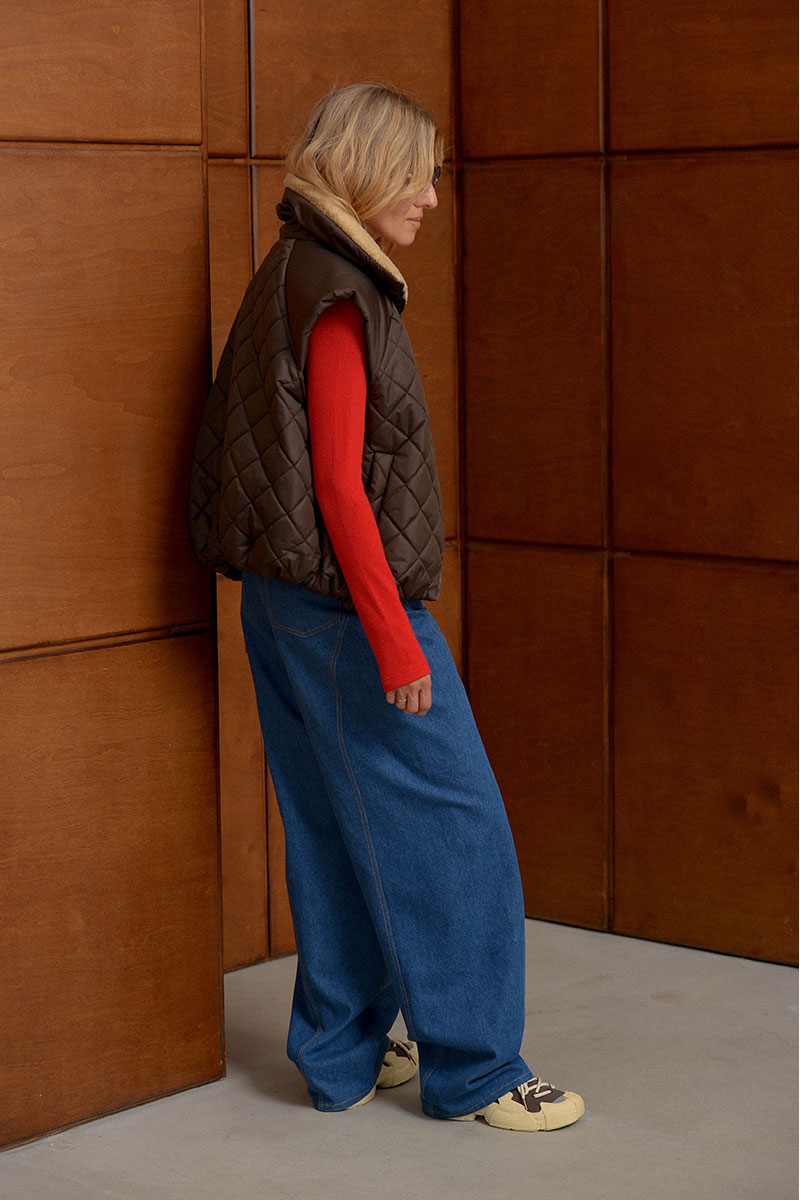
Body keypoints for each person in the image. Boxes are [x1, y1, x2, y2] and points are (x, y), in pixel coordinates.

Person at [189, 81, 585, 1132]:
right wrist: (393, 642)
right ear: (367, 171)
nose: (430, 199)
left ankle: (341, 1053)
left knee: (333, 824)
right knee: (456, 825)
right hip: (345, 610)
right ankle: (478, 1069)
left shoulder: (296, 263)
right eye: (418, 176)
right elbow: (337, 485)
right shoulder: (339, 291)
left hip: (281, 600)